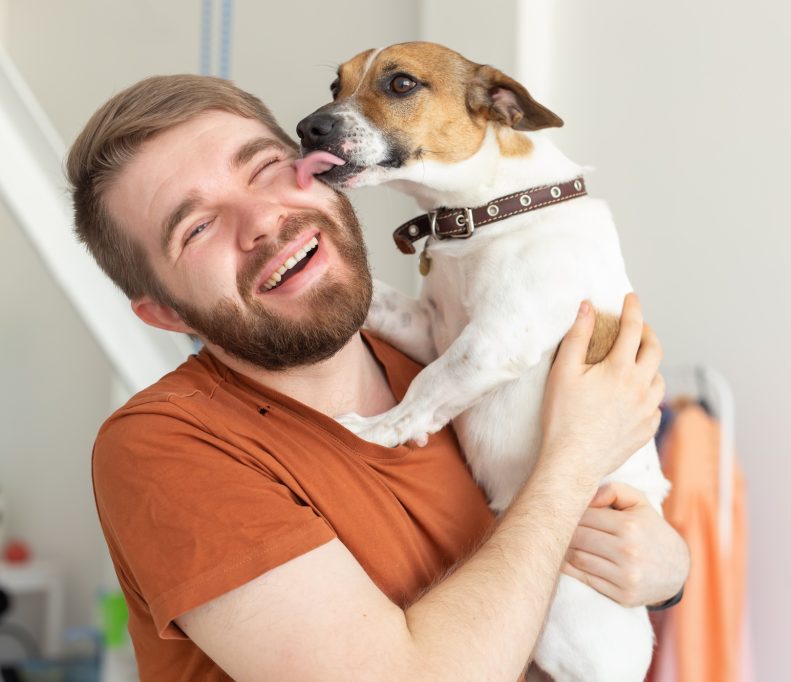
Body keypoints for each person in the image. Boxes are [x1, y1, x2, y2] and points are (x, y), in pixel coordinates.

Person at [68, 74, 689, 681]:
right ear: (166, 312)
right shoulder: (168, 449)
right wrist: (572, 463)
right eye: (196, 227)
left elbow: (623, 545)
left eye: (264, 169)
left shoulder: (447, 358)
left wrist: (665, 572)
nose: (259, 219)